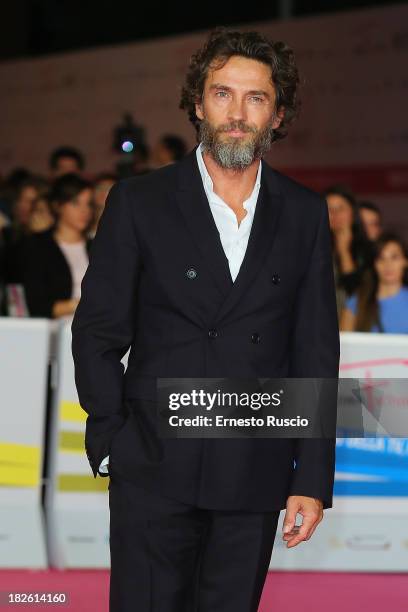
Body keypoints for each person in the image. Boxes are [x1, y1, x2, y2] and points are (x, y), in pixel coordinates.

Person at [71, 27, 339, 612]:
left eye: (256, 98)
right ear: (197, 103)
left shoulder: (303, 213)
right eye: (222, 94)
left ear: (277, 114)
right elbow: (97, 332)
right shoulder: (139, 202)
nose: (237, 114)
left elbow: (315, 352)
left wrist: (311, 478)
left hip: (254, 470)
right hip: (153, 466)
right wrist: (114, 438)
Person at [22, 173, 93, 318]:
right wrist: (80, 304)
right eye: (75, 203)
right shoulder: (37, 246)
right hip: (54, 330)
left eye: (88, 204)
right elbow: (36, 304)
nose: (84, 210)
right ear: (58, 205)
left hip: (95, 329)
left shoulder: (96, 246)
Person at [340, 232, 408, 333]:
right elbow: (343, 343)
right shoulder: (358, 300)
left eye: (394, 257)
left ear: (404, 261)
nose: (388, 265)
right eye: (381, 258)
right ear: (375, 264)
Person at [323, 184, 373, 316]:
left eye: (341, 208)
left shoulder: (368, 248)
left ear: (353, 211)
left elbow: (356, 290)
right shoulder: (313, 245)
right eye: (329, 209)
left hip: (354, 323)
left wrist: (344, 250)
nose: (335, 214)